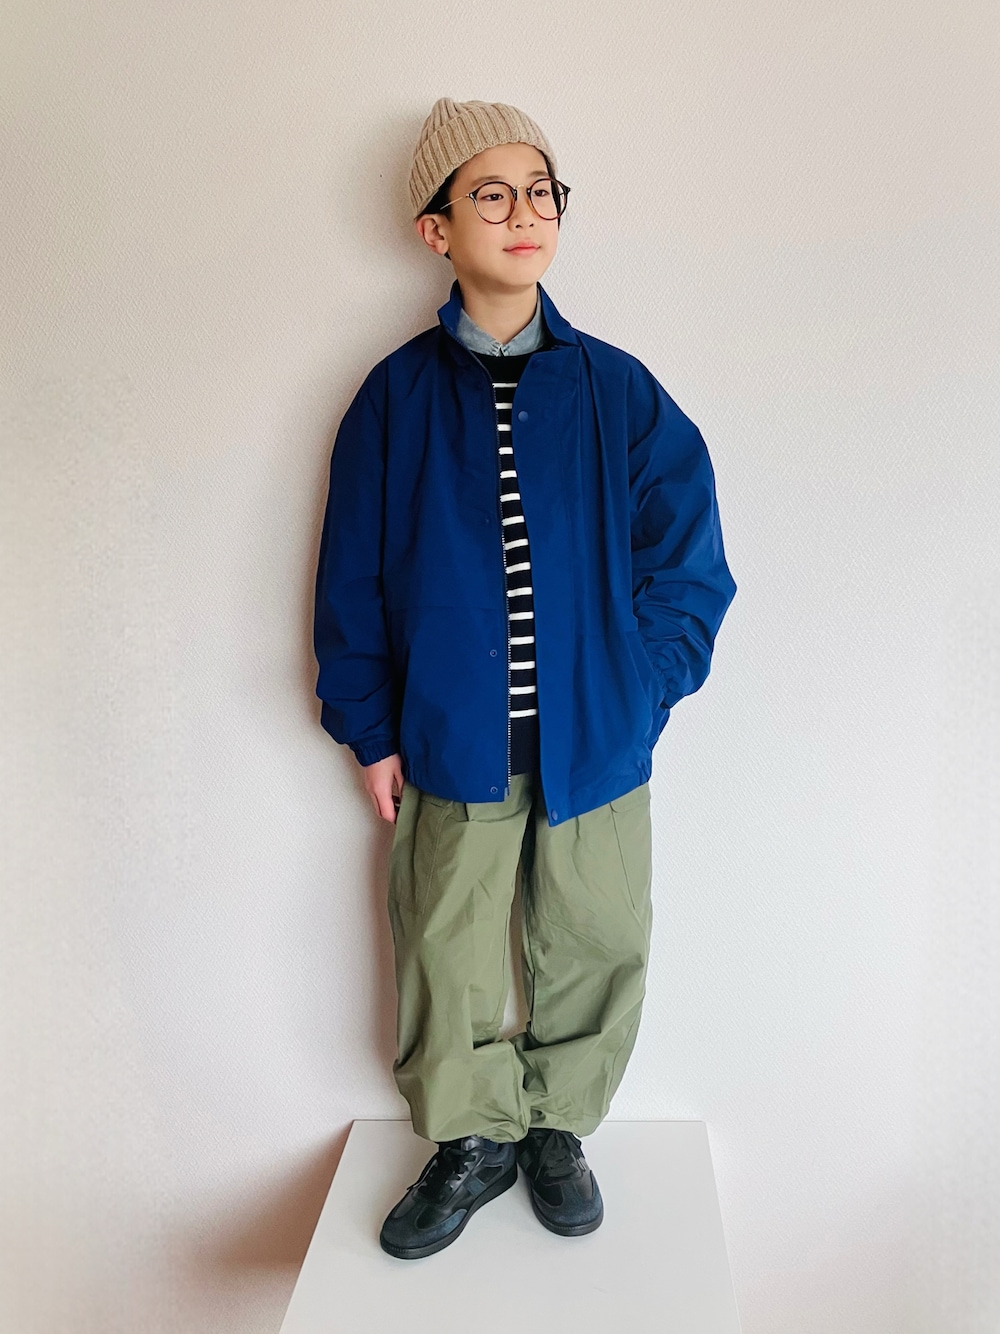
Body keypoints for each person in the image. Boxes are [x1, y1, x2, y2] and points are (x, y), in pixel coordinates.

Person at [313, 97, 737, 1261]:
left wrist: (640, 686)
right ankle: (470, 1136)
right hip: (450, 735)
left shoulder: (617, 390)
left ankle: (556, 1127)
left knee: (598, 932)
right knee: (443, 945)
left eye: (541, 191)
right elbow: (350, 575)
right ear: (436, 228)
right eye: (491, 194)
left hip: (595, 738)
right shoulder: (395, 397)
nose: (523, 213)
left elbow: (687, 559)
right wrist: (369, 725)